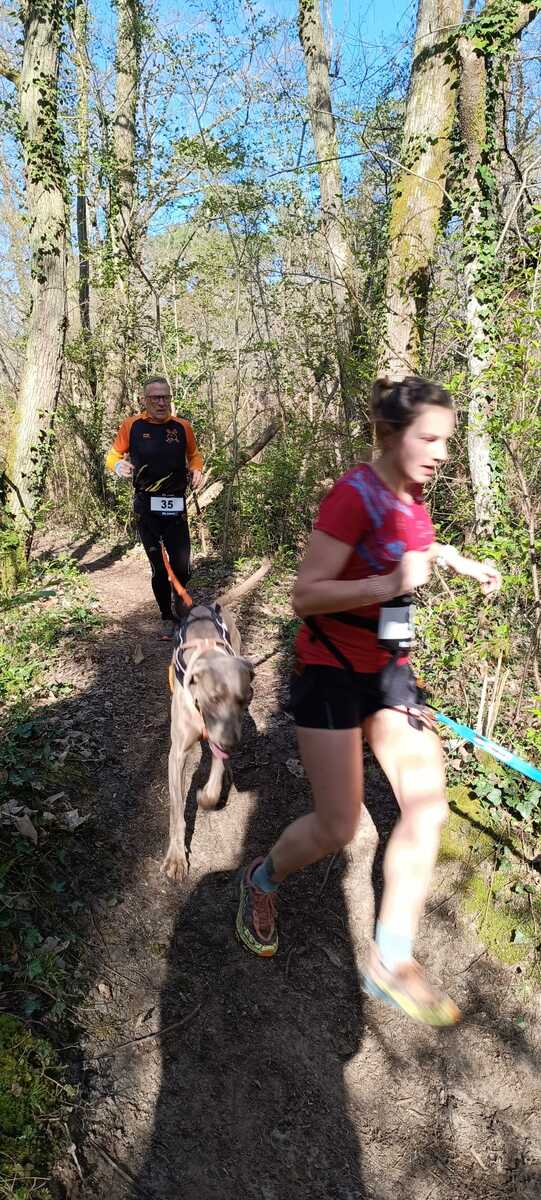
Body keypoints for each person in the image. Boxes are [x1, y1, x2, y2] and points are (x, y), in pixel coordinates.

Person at [236, 375, 501, 1027]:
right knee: (338, 827)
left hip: (388, 673)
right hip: (329, 668)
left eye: (446, 440)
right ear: (392, 434)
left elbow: (413, 544)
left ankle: (391, 960)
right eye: (429, 439)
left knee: (427, 805)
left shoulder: (413, 495)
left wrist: (453, 560)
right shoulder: (352, 495)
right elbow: (304, 594)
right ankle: (261, 879)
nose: (441, 453)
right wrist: (386, 583)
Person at [105, 376, 203, 633]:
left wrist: (196, 469)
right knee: (159, 567)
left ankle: (180, 598)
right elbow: (112, 455)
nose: (161, 402)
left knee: (182, 565)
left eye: (165, 397)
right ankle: (166, 616)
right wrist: (118, 465)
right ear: (144, 400)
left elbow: (194, 455)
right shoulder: (132, 426)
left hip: (176, 503)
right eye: (155, 398)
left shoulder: (182, 426)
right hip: (146, 505)